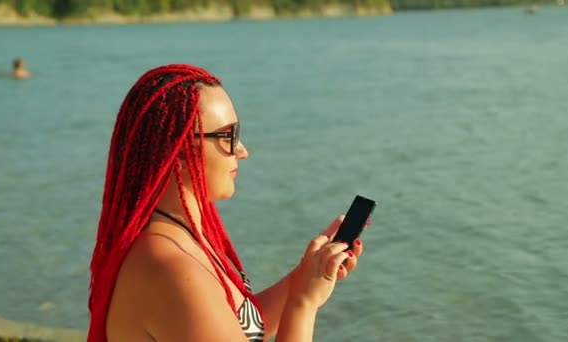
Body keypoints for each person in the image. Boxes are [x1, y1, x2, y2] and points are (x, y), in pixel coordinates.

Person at [87, 64, 368, 342]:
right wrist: (303, 304)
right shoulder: (170, 267)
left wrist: (309, 274)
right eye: (229, 136)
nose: (243, 151)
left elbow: (239, 330)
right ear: (180, 151)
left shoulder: (174, 239)